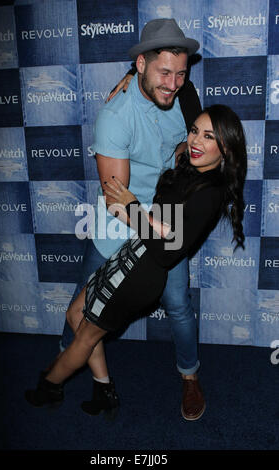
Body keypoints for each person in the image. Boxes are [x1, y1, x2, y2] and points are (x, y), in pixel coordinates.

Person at [25, 105, 247, 423]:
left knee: (86, 334)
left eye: (209, 136)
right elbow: (164, 224)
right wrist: (131, 77)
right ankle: (104, 390)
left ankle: (49, 387)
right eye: (195, 130)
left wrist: (130, 211)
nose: (196, 140)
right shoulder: (190, 166)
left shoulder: (209, 193)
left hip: (143, 275)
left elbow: (168, 250)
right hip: (131, 252)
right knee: (74, 313)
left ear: (225, 148)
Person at [33, 18, 205, 421]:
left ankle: (190, 376)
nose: (174, 83)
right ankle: (64, 369)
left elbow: (201, 141)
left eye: (181, 73)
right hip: (120, 220)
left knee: (179, 304)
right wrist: (162, 237)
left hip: (164, 214)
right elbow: (117, 201)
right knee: (82, 306)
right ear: (141, 64)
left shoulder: (183, 95)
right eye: (165, 72)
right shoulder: (116, 115)